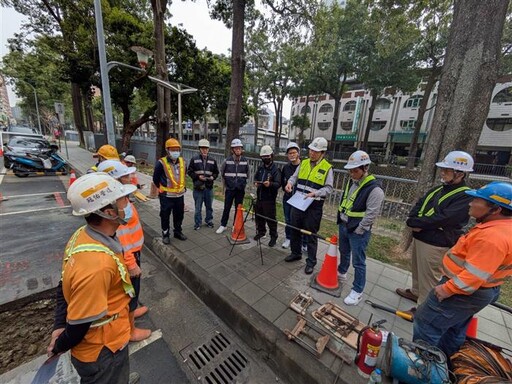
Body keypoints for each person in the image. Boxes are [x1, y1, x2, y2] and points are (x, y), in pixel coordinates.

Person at [47, 173, 140, 383]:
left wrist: (58, 325)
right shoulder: (96, 267)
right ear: (109, 212)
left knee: (119, 375)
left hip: (110, 344)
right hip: (103, 353)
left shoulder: (83, 234)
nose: (128, 203)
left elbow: (63, 286)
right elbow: (79, 326)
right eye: (123, 200)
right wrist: (59, 344)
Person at [413, 181, 512, 359]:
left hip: (463, 291)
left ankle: (423, 368)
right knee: (454, 327)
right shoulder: (502, 228)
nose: (470, 203)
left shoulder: (492, 237)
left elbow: (474, 275)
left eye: (477, 200)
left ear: (495, 209)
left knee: (426, 323)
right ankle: (447, 362)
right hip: (480, 291)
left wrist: (447, 289)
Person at [396, 151, 474, 310]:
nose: (443, 173)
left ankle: (422, 309)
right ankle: (416, 292)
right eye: (443, 169)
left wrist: (419, 223)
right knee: (418, 270)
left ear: (460, 173)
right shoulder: (438, 189)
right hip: (422, 236)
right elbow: (420, 203)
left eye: (447, 170)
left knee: (429, 277)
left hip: (436, 242)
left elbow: (445, 218)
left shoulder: (464, 196)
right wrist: (413, 221)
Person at [98, 160, 151, 341]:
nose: (130, 178)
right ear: (115, 180)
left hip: (133, 251)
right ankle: (130, 331)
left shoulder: (121, 197)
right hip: (127, 256)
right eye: (126, 176)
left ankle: (132, 312)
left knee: (133, 292)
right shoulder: (112, 207)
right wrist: (131, 263)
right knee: (130, 291)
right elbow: (120, 238)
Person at [337, 150, 384, 305]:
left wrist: (360, 229)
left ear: (365, 168)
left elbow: (371, 214)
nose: (351, 173)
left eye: (355, 170)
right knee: (344, 251)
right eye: (350, 170)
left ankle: (357, 291)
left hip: (358, 231)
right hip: (345, 225)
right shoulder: (353, 182)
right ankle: (342, 272)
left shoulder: (375, 189)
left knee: (358, 262)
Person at [284, 137, 333, 275]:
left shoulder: (327, 168)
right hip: (298, 202)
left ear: (322, 153)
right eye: (311, 150)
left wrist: (316, 193)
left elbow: (329, 188)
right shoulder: (304, 163)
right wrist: (290, 183)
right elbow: (294, 177)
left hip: (314, 207)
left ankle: (311, 262)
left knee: (311, 235)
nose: (312, 153)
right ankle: (295, 253)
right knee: (294, 229)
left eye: (316, 151)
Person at [152, 138, 187, 244]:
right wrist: (161, 188)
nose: (175, 152)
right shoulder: (161, 163)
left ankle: (177, 232)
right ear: (167, 150)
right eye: (173, 149)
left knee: (179, 215)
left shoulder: (183, 162)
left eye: (177, 149)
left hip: (179, 195)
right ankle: (165, 234)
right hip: (166, 196)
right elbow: (155, 178)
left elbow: (183, 176)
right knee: (165, 215)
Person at [216, 138, 250, 234]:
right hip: (230, 189)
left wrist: (242, 184)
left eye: (239, 148)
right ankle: (223, 225)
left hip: (240, 190)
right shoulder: (226, 161)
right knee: (227, 207)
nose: (238, 150)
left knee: (238, 209)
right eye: (236, 148)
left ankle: (236, 225)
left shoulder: (245, 161)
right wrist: (226, 186)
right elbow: (222, 173)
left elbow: (248, 175)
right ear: (232, 150)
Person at [187, 139, 219, 230]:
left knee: (209, 207)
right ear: (199, 149)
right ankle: (197, 223)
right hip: (198, 188)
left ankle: (209, 221)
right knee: (198, 208)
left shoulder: (213, 160)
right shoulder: (194, 159)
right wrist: (197, 177)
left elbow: (216, 172)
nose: (204, 150)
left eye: (206, 148)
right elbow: (189, 171)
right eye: (202, 148)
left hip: (208, 188)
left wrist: (213, 177)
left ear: (208, 149)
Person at [254, 145, 281, 247]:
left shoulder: (276, 169)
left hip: (269, 198)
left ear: (272, 156)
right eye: (263, 157)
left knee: (271, 219)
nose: (265, 159)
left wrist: (270, 184)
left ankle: (274, 236)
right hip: (260, 196)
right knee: (259, 216)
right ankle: (261, 232)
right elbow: (256, 177)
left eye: (267, 156)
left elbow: (278, 184)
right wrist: (256, 182)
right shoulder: (260, 168)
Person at [281, 142, 307, 250]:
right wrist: (286, 188)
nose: (292, 155)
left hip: (301, 199)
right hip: (288, 198)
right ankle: (288, 238)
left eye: (294, 152)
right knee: (288, 219)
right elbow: (283, 182)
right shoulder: (286, 168)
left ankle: (303, 242)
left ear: (298, 153)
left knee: (302, 221)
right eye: (289, 153)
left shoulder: (305, 166)